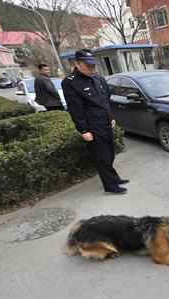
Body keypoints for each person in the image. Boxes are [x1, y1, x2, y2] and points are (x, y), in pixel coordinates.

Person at [62, 49, 128, 195]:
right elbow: (75, 109)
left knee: (110, 153)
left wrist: (110, 117)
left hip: (106, 122)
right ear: (77, 64)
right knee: (102, 157)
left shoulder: (97, 77)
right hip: (93, 127)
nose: (92, 69)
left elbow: (106, 99)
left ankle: (114, 178)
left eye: (93, 66)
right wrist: (84, 130)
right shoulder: (70, 83)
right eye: (88, 66)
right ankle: (110, 186)